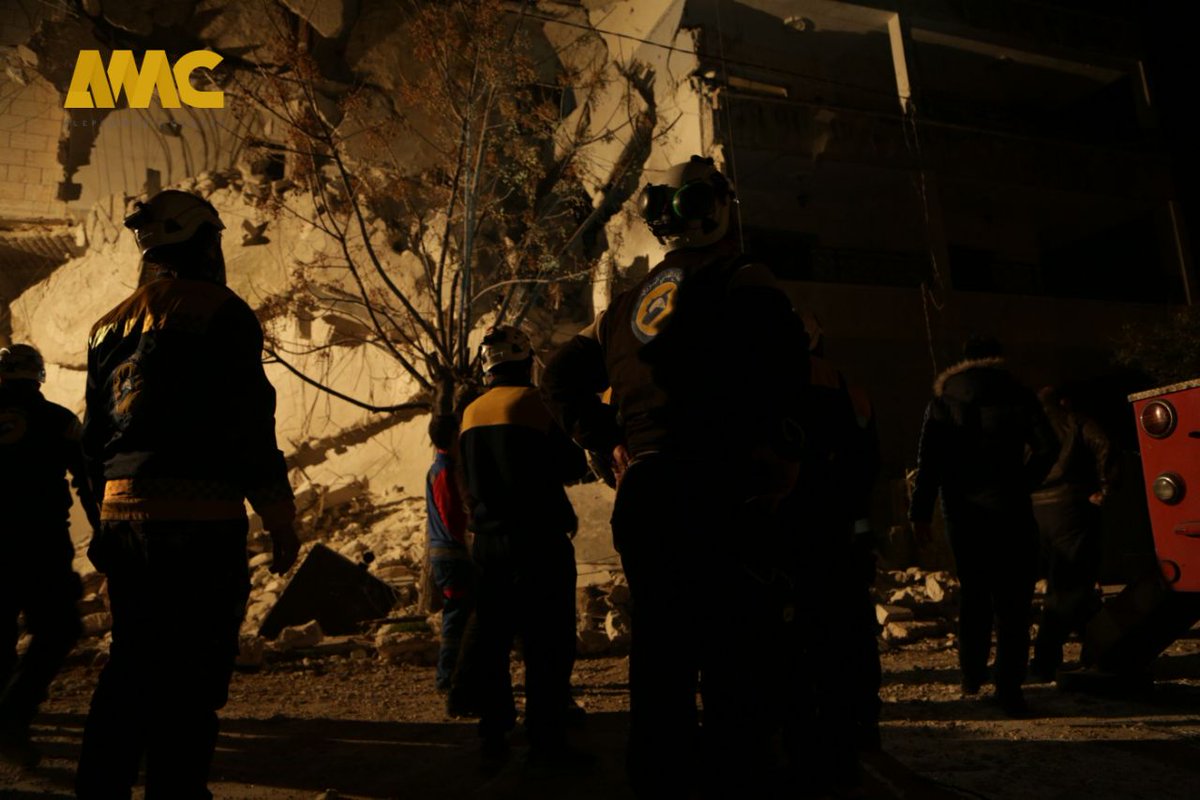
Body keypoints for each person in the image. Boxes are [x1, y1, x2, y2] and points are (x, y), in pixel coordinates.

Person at [542, 156, 809, 797]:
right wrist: (783, 460)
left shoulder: (626, 307)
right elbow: (783, 374)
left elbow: (555, 374)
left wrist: (607, 445)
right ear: (717, 207)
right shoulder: (744, 277)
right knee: (733, 647)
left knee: (660, 649)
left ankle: (658, 776)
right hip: (721, 486)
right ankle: (734, 775)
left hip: (648, 491)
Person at [75, 189, 299, 799]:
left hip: (124, 519)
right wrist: (279, 515)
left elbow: (92, 441)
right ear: (203, 241)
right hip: (201, 525)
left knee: (131, 666)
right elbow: (248, 423)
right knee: (192, 677)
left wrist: (103, 525)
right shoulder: (222, 311)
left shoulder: (107, 326)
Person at [455, 325, 588, 769]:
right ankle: (545, 742)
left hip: (488, 545)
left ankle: (493, 731)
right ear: (526, 359)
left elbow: (466, 482)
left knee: (493, 639)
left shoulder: (470, 413)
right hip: (538, 543)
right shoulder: (536, 405)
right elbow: (571, 467)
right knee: (546, 644)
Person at [909, 335, 1057, 716]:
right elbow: (1048, 447)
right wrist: (1022, 482)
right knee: (1013, 600)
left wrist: (920, 514)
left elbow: (929, 462)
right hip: (1010, 507)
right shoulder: (1020, 396)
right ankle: (1009, 688)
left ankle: (971, 674)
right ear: (998, 360)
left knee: (975, 592)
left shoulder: (943, 402)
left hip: (963, 511)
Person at [780, 313, 881, 795]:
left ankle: (797, 732)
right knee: (849, 632)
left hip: (780, 528)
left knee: (789, 634)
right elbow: (867, 465)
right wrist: (862, 530)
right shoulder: (845, 386)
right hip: (837, 526)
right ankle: (860, 730)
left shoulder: (751, 382)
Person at [0, 344, 100, 769]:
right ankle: (12, 718)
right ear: (39, 376)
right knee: (57, 629)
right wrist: (105, 532)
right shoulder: (58, 420)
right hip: (40, 543)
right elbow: (88, 479)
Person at [1030, 386, 1113, 681]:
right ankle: (1045, 660)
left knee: (1071, 583)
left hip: (1037, 510)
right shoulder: (1076, 422)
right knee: (1069, 586)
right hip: (1072, 506)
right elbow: (1104, 444)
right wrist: (1104, 488)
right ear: (1064, 401)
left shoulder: (1028, 427)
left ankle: (1101, 648)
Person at [424, 411, 474, 694]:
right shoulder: (443, 471)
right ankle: (447, 678)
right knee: (456, 617)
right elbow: (452, 516)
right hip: (452, 555)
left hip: (447, 553)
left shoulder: (442, 468)